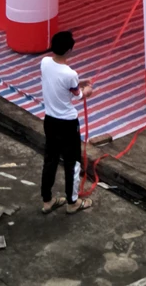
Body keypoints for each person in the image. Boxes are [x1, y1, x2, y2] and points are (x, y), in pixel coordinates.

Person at [40, 30, 93, 215]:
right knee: (73, 162)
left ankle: (47, 200)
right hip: (68, 123)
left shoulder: (45, 63)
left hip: (50, 120)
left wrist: (80, 82)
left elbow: (64, 83)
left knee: (50, 160)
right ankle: (72, 202)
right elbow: (78, 95)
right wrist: (87, 90)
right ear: (70, 51)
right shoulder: (70, 74)